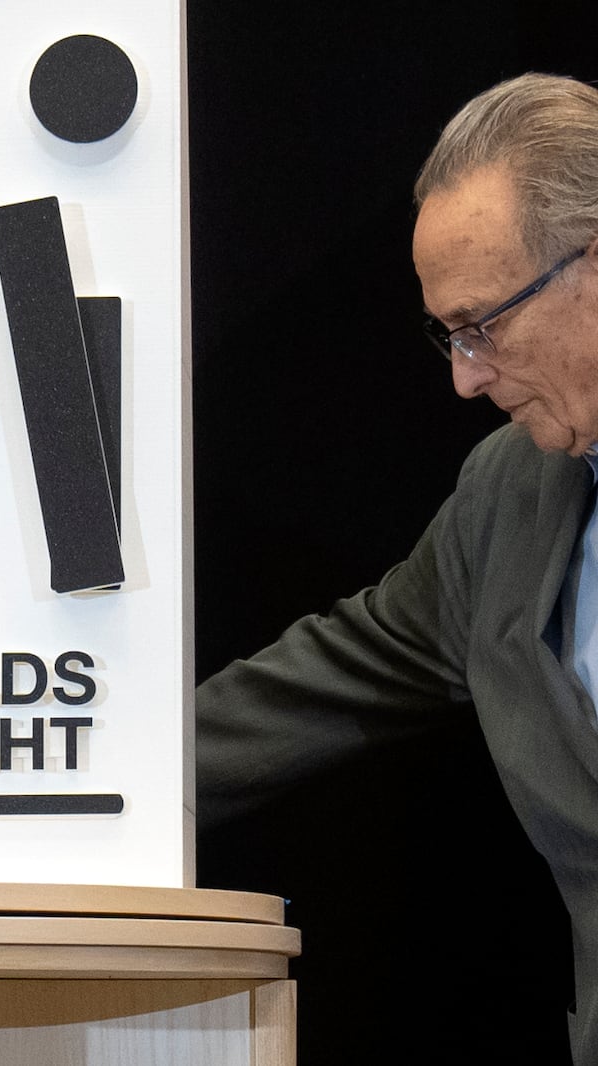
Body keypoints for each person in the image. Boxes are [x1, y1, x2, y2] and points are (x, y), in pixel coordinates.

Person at [197, 73, 598, 1063]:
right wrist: (76, 792)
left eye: (482, 326)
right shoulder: (507, 498)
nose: (464, 376)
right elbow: (319, 680)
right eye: (448, 337)